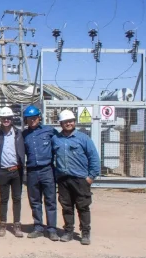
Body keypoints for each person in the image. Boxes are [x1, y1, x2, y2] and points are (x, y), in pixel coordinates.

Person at [52, 110, 100, 245]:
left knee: (83, 206)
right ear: (61, 123)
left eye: (70, 121)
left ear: (74, 122)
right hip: (63, 179)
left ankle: (85, 233)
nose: (68, 123)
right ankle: (68, 231)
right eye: (65, 122)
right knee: (66, 207)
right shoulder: (56, 139)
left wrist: (91, 177)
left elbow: (94, 158)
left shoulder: (83, 138)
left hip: (80, 179)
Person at [22, 105, 59, 241]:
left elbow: (58, 148)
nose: (32, 121)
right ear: (26, 120)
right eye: (29, 119)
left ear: (39, 118)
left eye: (34, 118)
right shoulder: (24, 135)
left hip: (47, 170)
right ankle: (38, 227)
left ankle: (52, 229)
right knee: (35, 201)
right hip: (32, 171)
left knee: (50, 200)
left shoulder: (49, 131)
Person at [0, 106, 25, 238]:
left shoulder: (19, 133)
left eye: (8, 118)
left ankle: (17, 225)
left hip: (17, 170)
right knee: (3, 199)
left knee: (17, 199)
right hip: (2, 171)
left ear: (12, 119)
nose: (6, 120)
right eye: (3, 118)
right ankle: (2, 225)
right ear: (0, 119)